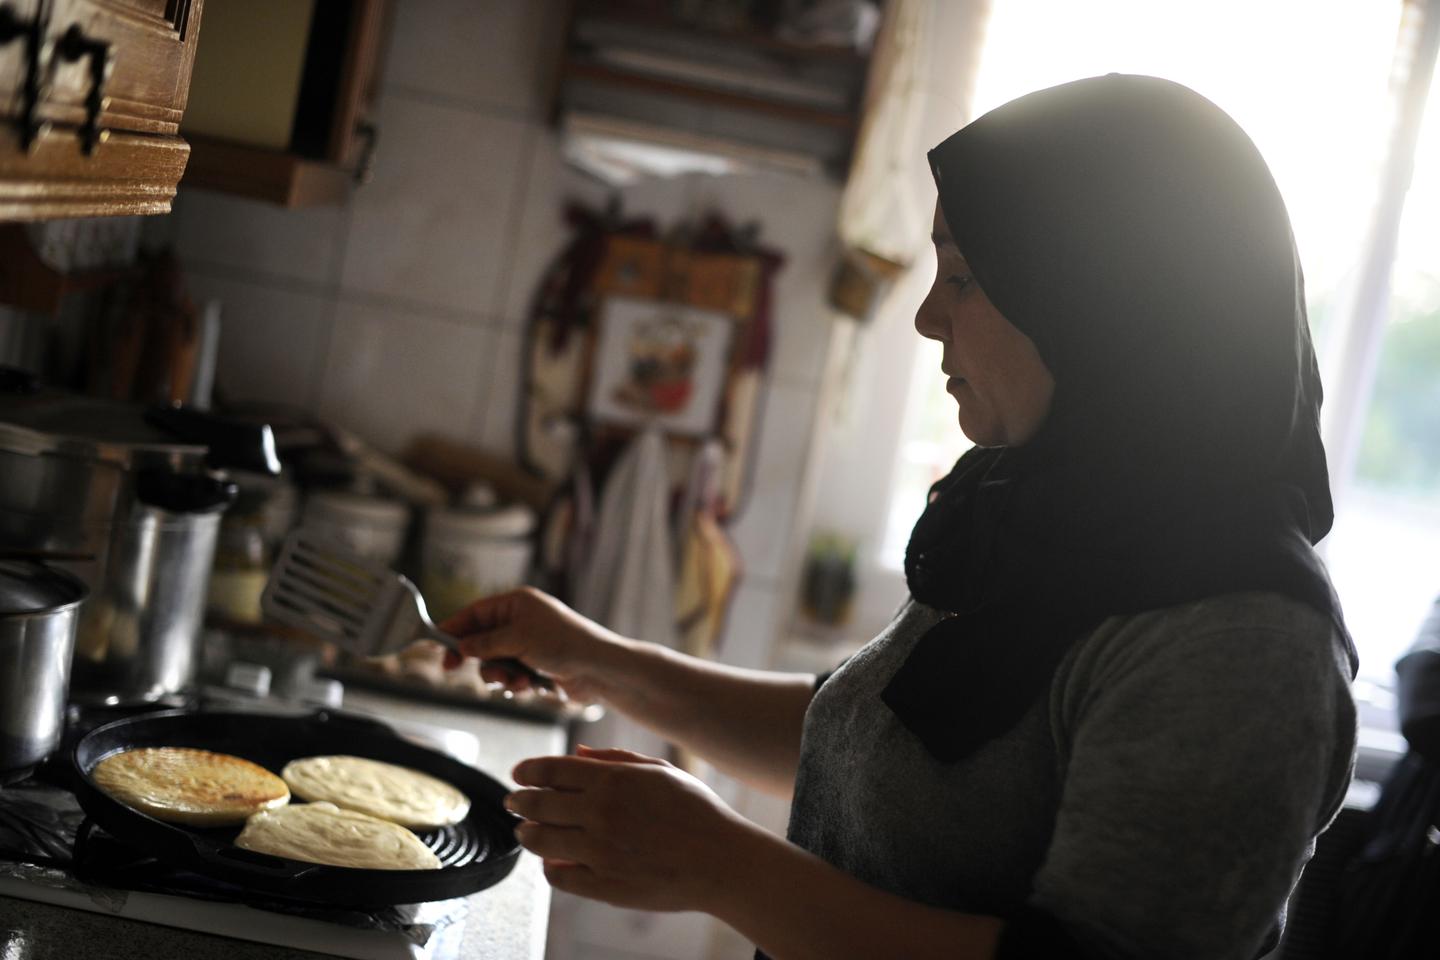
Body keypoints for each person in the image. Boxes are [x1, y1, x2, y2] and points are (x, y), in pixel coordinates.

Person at [441, 74, 1359, 960]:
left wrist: (718, 865)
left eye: (962, 276)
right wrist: (598, 660)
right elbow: (867, 740)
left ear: (1096, 299)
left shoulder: (1241, 638)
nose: (925, 317)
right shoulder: (1051, 515)